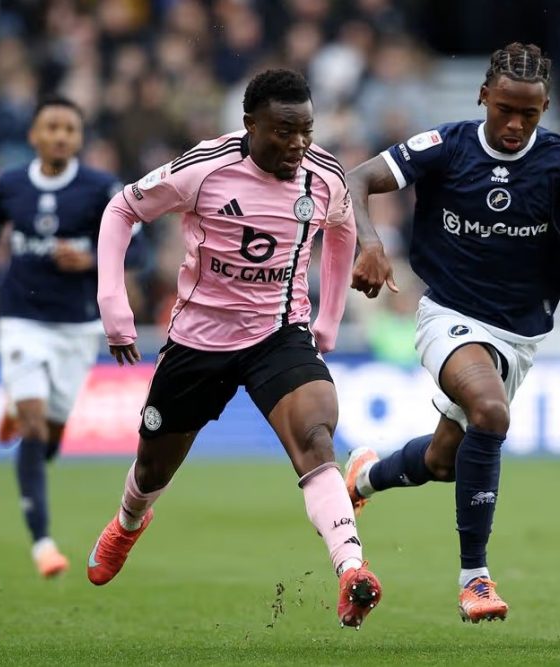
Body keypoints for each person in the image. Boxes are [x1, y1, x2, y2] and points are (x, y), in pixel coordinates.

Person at [342, 43, 560, 623]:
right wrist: (370, 243)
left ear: (545, 109)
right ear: (483, 95)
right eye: (504, 109)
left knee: (443, 461)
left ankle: (365, 477)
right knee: (489, 410)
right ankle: (475, 580)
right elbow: (357, 178)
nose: (514, 124)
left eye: (528, 114)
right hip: (448, 314)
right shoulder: (447, 146)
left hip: (519, 334)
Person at [86, 69, 382, 629]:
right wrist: (113, 302)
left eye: (306, 130)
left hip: (278, 333)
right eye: (283, 131)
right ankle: (128, 522)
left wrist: (329, 318)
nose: (297, 143)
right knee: (152, 466)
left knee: (316, 438)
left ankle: (351, 570)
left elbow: (342, 230)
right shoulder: (204, 168)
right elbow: (122, 209)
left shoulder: (324, 177)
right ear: (249, 125)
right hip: (199, 339)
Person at [0, 95, 144, 578]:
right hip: (21, 318)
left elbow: (139, 251)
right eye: (52, 127)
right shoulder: (8, 185)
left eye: (69, 129)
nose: (60, 136)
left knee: (52, 437)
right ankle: (43, 543)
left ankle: (16, 410)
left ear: (79, 138)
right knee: (35, 426)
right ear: (34, 136)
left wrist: (91, 260)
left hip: (77, 326)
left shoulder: (102, 189)